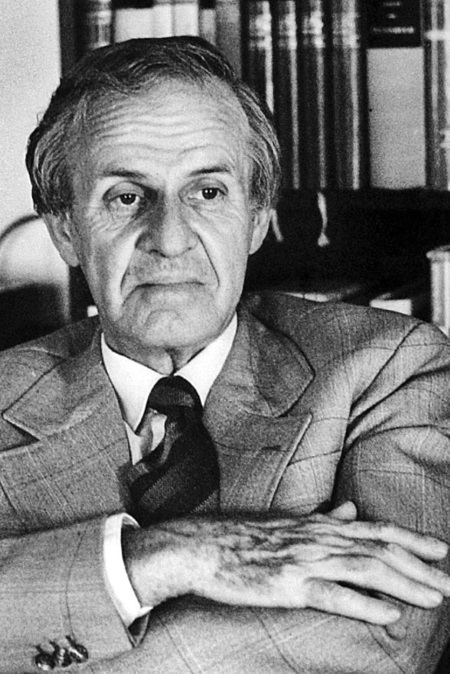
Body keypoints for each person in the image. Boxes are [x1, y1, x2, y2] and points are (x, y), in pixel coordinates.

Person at [0, 36, 449, 673]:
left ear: (257, 218)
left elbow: (388, 635)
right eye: (126, 196)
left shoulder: (390, 367)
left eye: (208, 192)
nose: (169, 239)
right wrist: (165, 558)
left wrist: (45, 610)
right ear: (66, 230)